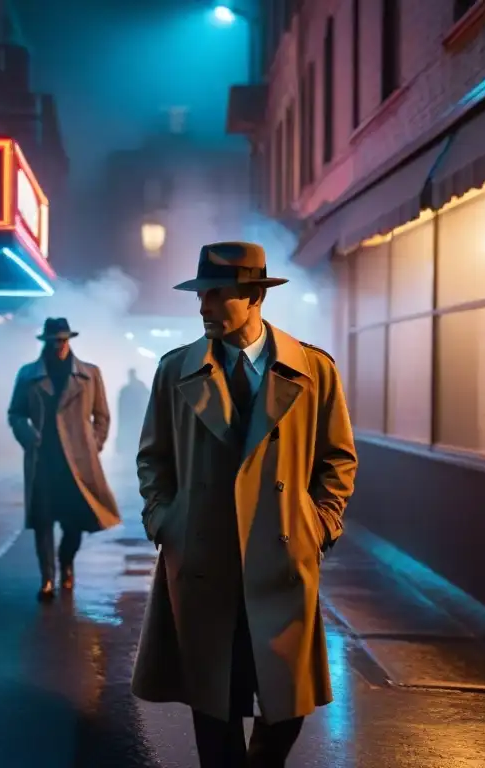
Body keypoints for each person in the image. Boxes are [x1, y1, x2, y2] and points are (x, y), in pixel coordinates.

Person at [131, 242, 358, 767]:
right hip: (204, 559)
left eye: (217, 294)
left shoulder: (313, 370)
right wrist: (166, 520)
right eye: (200, 295)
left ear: (254, 295)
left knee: (286, 706)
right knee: (214, 705)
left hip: (280, 555)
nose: (204, 306)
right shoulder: (175, 371)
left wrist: (319, 526)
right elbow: (153, 459)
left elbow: (337, 459)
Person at [8, 317, 121, 601]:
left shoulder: (89, 374)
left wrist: (92, 444)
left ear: (69, 340)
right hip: (43, 460)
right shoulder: (28, 374)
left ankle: (66, 564)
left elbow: (102, 415)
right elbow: (16, 413)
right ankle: (47, 578)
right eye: (53, 341)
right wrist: (28, 436)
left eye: (62, 340)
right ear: (45, 343)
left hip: (77, 463)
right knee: (43, 521)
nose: (58, 345)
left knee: (74, 522)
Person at [115, 368, 150, 458]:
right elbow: (121, 407)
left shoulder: (140, 388)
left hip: (139, 419)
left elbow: (147, 401)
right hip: (129, 419)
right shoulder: (126, 390)